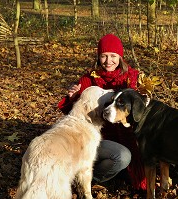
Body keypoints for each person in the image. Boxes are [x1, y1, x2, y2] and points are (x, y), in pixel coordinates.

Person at [58, 33, 146, 190]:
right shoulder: (89, 79)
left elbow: (139, 111)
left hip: (127, 136)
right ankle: (87, 180)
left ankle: (113, 174)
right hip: (97, 137)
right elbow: (74, 115)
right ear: (98, 57)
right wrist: (73, 98)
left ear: (120, 56)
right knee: (121, 157)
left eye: (113, 56)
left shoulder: (131, 78)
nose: (108, 61)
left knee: (131, 166)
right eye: (103, 56)